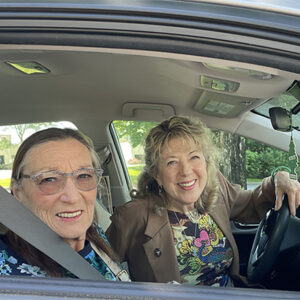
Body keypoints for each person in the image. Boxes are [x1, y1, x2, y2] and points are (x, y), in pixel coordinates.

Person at [106, 115, 300, 286]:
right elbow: (98, 268)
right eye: (172, 162)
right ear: (156, 174)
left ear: (206, 162)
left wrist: (277, 178)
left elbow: (254, 201)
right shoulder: (133, 216)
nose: (186, 171)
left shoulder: (216, 189)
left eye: (194, 157)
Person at [0, 128, 126, 280]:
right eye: (49, 179)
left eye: (84, 175)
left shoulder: (95, 234)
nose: (72, 198)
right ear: (18, 192)